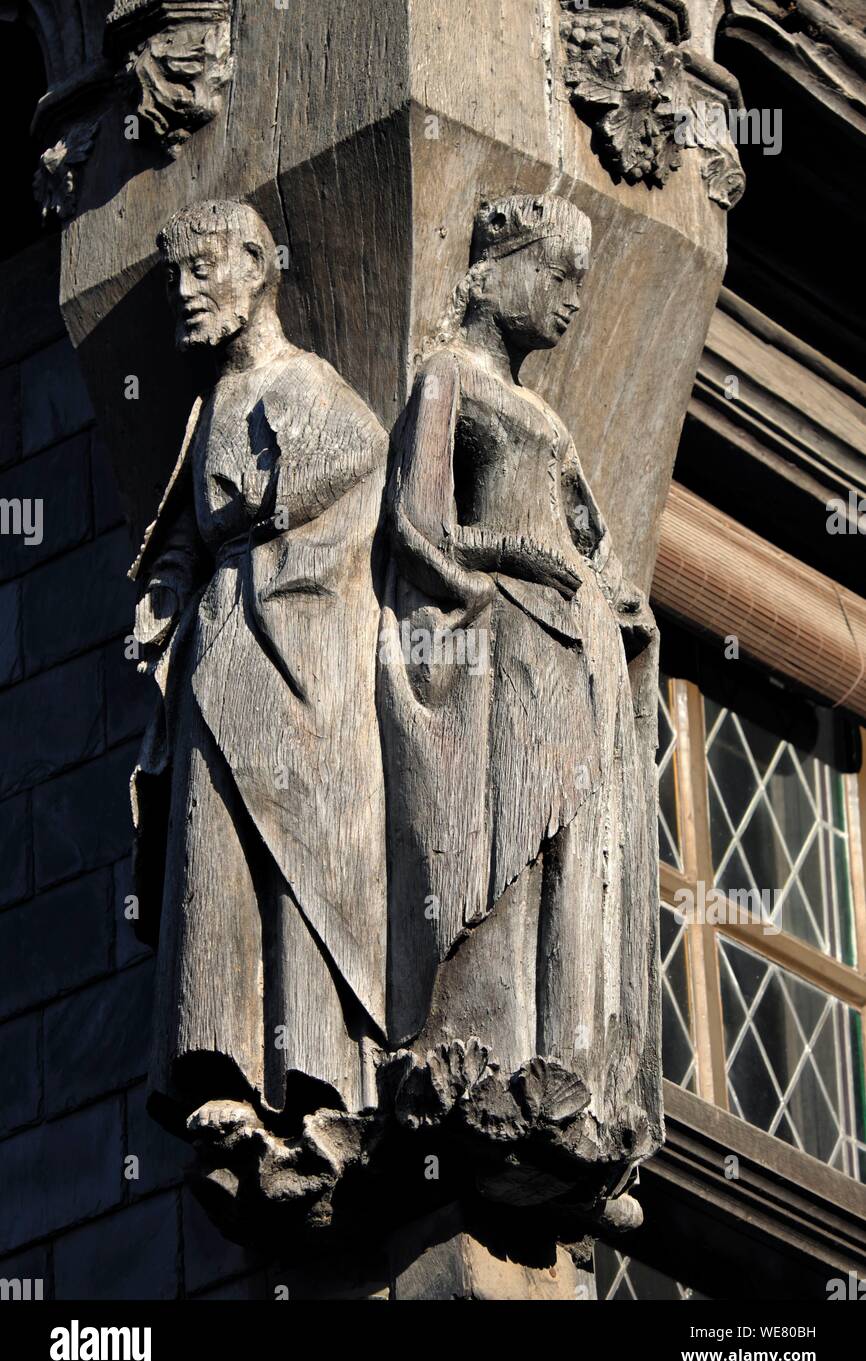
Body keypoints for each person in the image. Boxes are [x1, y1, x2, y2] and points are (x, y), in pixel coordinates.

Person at [378, 194, 663, 1189]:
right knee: (513, 837)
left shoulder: (546, 416)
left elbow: (590, 542)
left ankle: (570, 1060)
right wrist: (512, 563)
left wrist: (613, 600)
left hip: (571, 641)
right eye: (554, 273)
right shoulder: (448, 375)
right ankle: (481, 1048)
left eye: (581, 282)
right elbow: (417, 523)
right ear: (491, 273)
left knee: (577, 846)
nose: (571, 301)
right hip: (508, 640)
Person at [131, 200, 389, 1151]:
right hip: (220, 647)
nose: (186, 298)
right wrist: (167, 593)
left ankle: (318, 1070)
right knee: (216, 856)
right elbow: (184, 533)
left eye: (202, 273)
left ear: (258, 269)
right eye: (172, 284)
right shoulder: (209, 408)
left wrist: (269, 554)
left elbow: (357, 467)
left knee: (300, 850)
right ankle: (221, 1062)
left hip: (296, 651)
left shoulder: (305, 383)